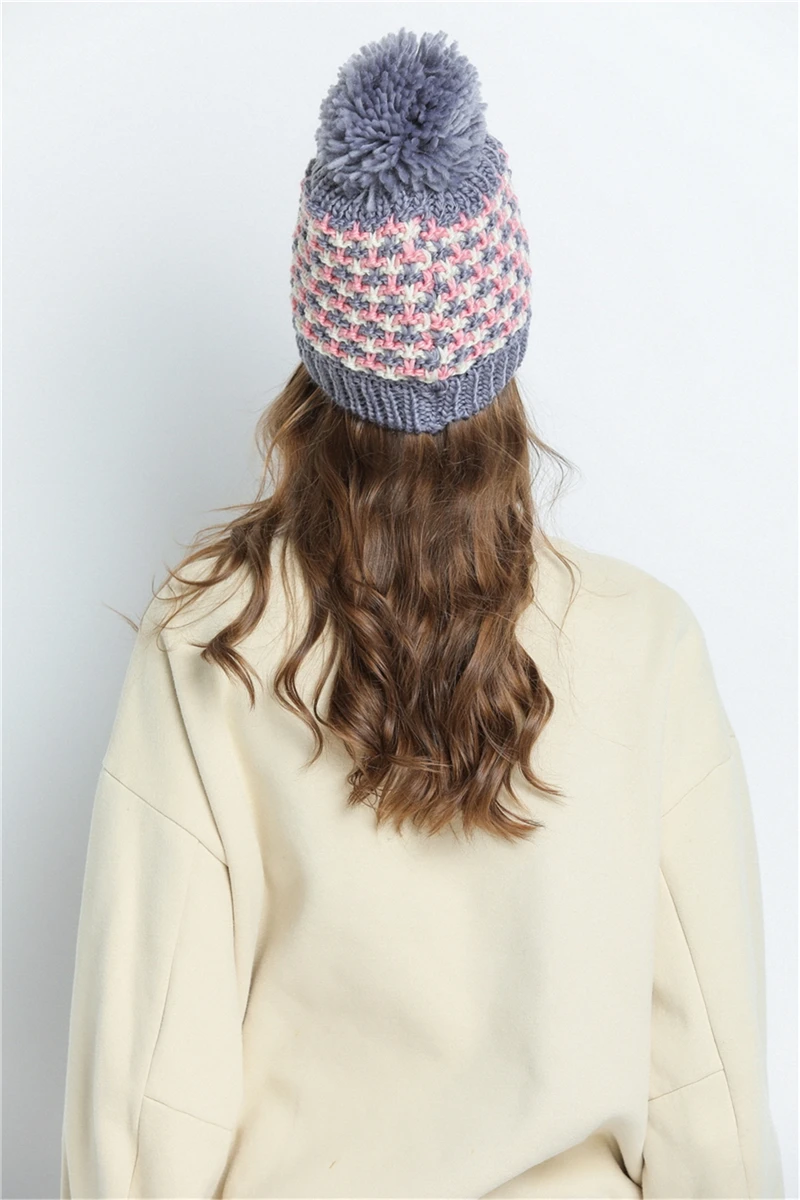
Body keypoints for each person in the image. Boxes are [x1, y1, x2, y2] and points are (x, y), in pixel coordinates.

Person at [59, 27, 784, 1200]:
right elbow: (706, 1092)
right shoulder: (647, 643)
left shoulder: (212, 648)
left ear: (318, 347)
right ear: (504, 334)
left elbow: (147, 1101)